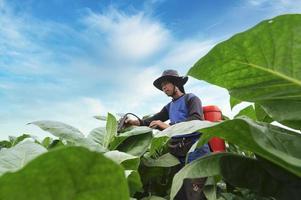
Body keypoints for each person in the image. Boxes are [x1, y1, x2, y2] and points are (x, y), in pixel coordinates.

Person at [125, 69, 210, 200]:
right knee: (179, 195)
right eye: (161, 86)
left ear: (176, 83)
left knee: (194, 194)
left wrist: (166, 127)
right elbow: (150, 120)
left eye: (166, 83)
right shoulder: (169, 106)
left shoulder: (191, 98)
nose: (163, 87)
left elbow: (195, 120)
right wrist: (133, 122)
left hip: (196, 153)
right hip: (179, 155)